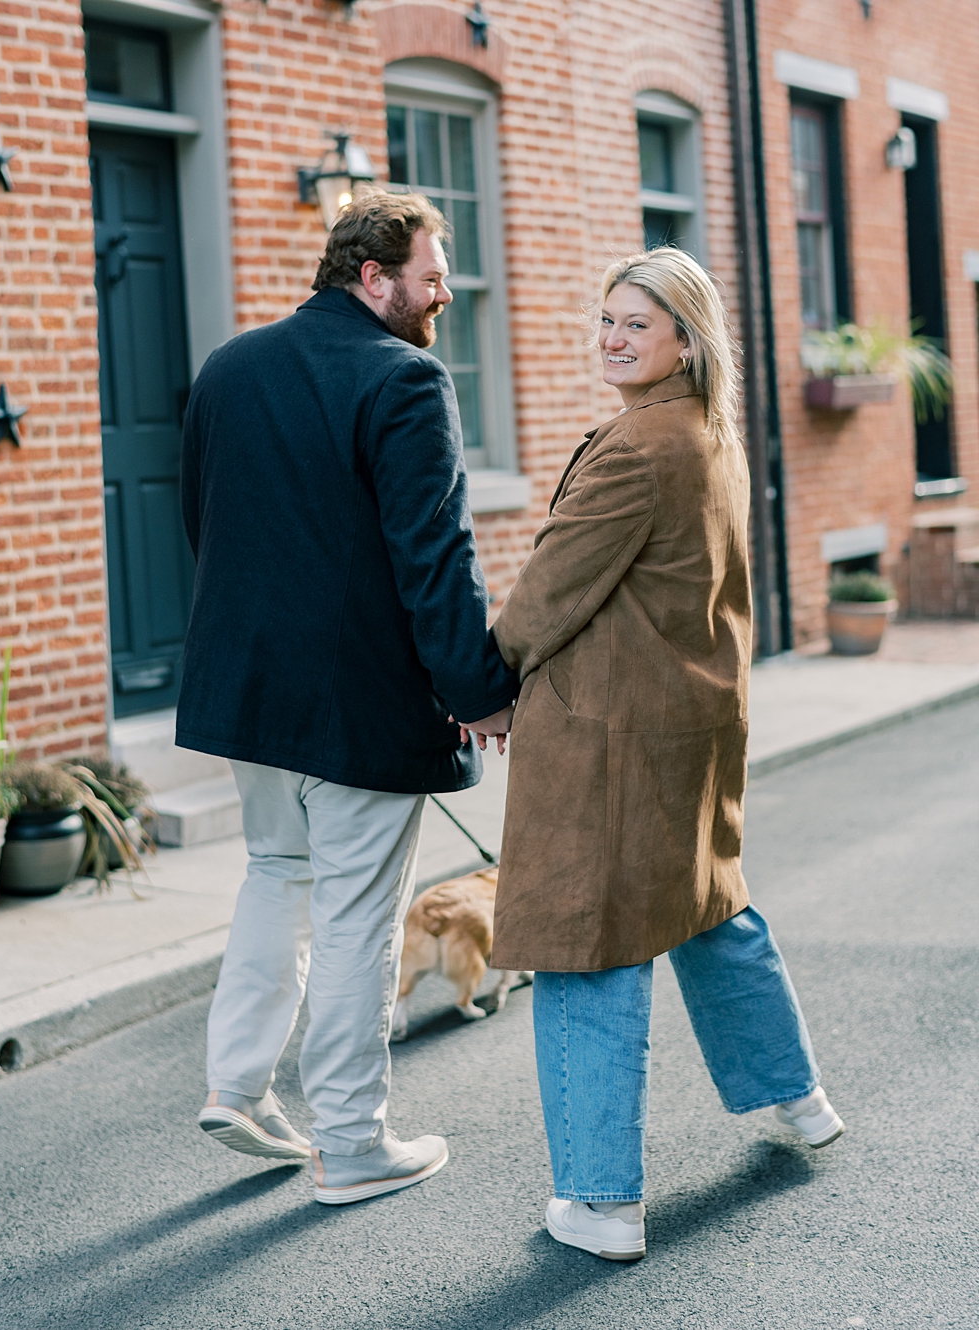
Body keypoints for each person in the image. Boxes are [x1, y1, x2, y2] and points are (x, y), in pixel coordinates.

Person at [488, 247, 844, 1261]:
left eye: (632, 324)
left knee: (582, 946)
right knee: (707, 907)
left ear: (683, 340)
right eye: (603, 318)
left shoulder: (636, 446)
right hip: (689, 728)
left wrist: (476, 686)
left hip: (606, 737)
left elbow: (549, 592)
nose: (609, 337)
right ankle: (796, 1097)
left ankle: (599, 1201)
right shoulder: (709, 431)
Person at [176, 190, 519, 1204]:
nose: (442, 290)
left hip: (247, 693)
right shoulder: (406, 379)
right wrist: (476, 689)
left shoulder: (228, 365)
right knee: (359, 921)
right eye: (428, 273)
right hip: (357, 705)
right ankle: (351, 1143)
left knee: (275, 875)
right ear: (372, 278)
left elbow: (201, 522)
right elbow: (434, 555)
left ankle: (235, 1085)